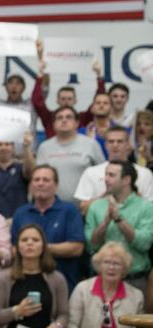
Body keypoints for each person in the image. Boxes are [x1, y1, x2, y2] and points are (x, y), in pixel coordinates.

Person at [11, 165, 84, 291]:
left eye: (46, 180)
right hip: (26, 284)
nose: (40, 183)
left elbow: (76, 248)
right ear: (30, 185)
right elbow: (13, 249)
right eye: (36, 180)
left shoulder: (70, 210)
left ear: (56, 185)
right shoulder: (20, 213)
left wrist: (39, 248)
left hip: (63, 284)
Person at [84, 160, 153, 293]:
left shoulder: (146, 208)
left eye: (111, 175)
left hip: (134, 280)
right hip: (101, 281)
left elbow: (144, 244)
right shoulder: (96, 206)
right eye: (106, 174)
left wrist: (119, 219)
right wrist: (105, 223)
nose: (106, 179)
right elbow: (91, 245)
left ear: (126, 180)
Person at [0, 223, 69, 328]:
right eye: (24, 240)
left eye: (35, 240)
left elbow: (63, 315)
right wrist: (17, 311)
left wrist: (57, 325)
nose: (29, 243)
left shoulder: (57, 279)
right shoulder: (3, 278)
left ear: (43, 246)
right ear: (17, 247)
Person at [74, 126, 153, 214]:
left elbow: (150, 211)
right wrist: (106, 195)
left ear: (128, 145)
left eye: (120, 141)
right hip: (100, 225)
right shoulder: (91, 172)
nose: (115, 145)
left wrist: (134, 198)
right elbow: (83, 210)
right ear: (106, 145)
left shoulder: (144, 173)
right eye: (111, 141)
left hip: (135, 225)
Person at [36, 106, 106, 204]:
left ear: (77, 123)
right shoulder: (44, 147)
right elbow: (38, 178)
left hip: (85, 207)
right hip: (52, 208)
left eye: (68, 117)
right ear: (54, 124)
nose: (64, 120)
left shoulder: (91, 144)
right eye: (59, 118)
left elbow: (103, 175)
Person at [67, 242, 144, 328]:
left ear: (124, 268)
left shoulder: (137, 296)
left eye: (116, 263)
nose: (111, 268)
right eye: (106, 262)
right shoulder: (82, 289)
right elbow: (72, 324)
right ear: (99, 265)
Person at [32, 53, 105, 139]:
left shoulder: (83, 118)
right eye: (63, 99)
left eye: (69, 99)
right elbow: (37, 102)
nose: (66, 101)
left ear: (75, 101)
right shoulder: (49, 118)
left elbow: (99, 99)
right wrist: (40, 74)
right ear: (57, 101)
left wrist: (99, 75)